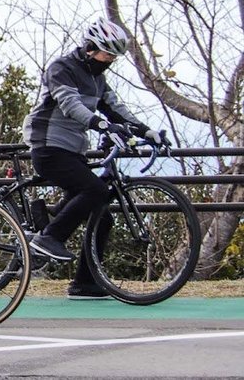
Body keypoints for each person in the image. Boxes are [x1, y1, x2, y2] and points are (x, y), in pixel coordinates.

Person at [22, 17, 168, 299]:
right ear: (90, 47)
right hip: (47, 146)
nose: (110, 60)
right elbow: (70, 103)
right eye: (107, 53)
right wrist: (100, 125)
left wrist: (148, 131)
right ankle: (49, 237)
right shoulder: (61, 68)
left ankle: (84, 284)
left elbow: (117, 110)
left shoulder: (97, 79)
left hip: (72, 150)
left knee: (103, 217)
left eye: (115, 56)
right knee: (96, 189)